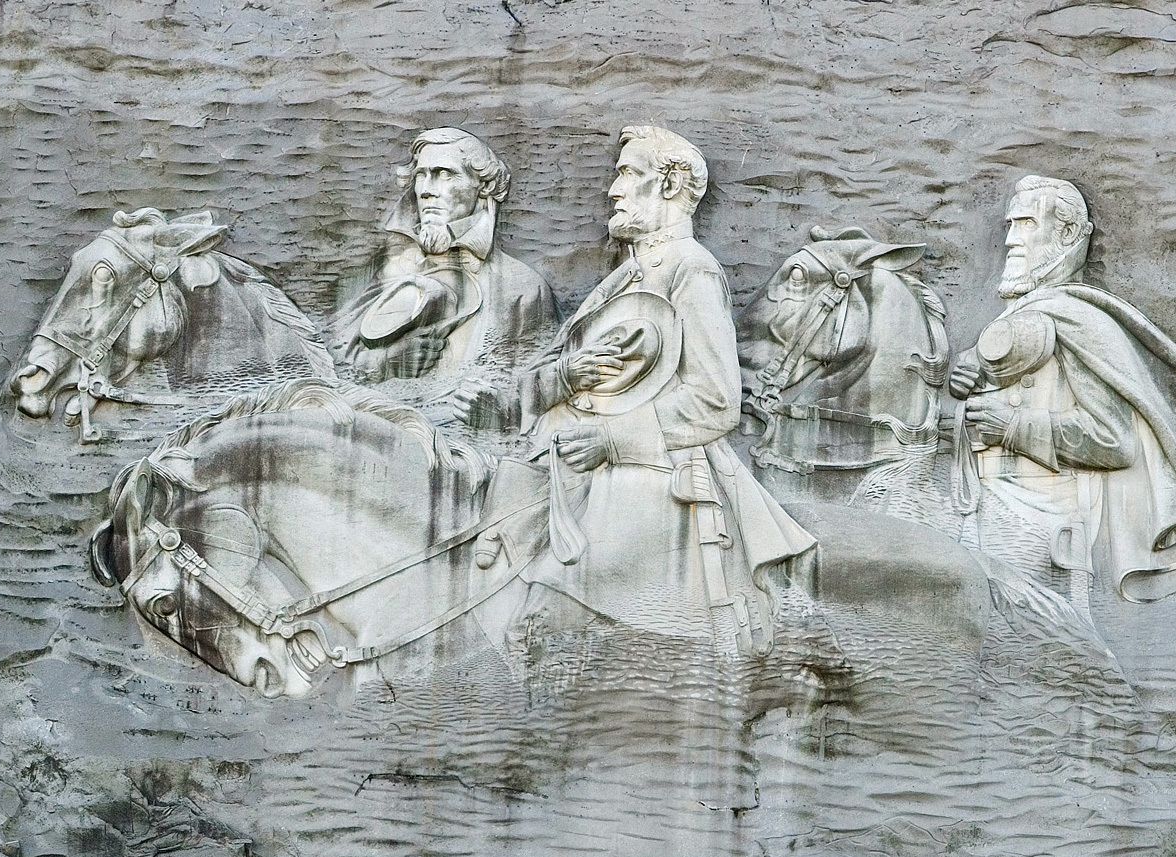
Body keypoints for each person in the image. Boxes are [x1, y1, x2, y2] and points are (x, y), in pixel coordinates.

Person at [478, 126, 816, 656]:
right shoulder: (625, 276)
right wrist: (567, 374)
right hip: (566, 456)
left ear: (671, 184)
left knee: (547, 619)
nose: (613, 189)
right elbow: (553, 378)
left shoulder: (691, 268)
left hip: (650, 470)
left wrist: (614, 440)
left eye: (628, 173)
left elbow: (717, 399)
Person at [946, 174, 1176, 611]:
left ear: (1069, 234)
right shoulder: (1021, 319)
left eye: (1025, 224)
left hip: (1039, 527)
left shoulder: (1081, 321)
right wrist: (964, 384)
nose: (1011, 241)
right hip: (979, 509)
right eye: (1009, 226)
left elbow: (1114, 443)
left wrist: (1014, 426)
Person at [331, 128, 558, 432]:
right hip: (378, 429)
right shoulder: (391, 270)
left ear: (484, 186)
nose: (426, 190)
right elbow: (332, 359)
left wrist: (499, 413)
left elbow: (545, 395)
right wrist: (390, 360)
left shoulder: (522, 287)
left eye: (443, 174)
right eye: (421, 175)